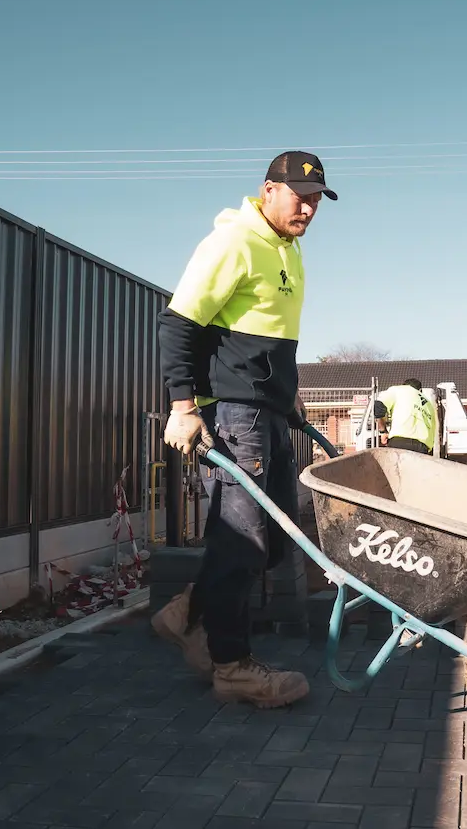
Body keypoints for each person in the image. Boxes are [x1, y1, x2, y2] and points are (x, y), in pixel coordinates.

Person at [151, 150, 337, 708]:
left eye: (316, 199)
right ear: (268, 189)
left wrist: (291, 398)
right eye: (298, 195)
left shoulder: (289, 250)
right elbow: (177, 324)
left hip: (268, 410)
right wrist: (183, 406)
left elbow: (273, 340)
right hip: (234, 413)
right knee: (244, 537)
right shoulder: (234, 241)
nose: (307, 207)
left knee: (276, 539)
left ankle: (188, 611)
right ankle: (231, 665)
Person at [373, 378, 437, 454]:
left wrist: (383, 431)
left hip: (400, 441)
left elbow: (378, 406)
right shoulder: (429, 404)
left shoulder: (398, 390)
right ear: (420, 390)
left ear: (404, 386)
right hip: (423, 446)